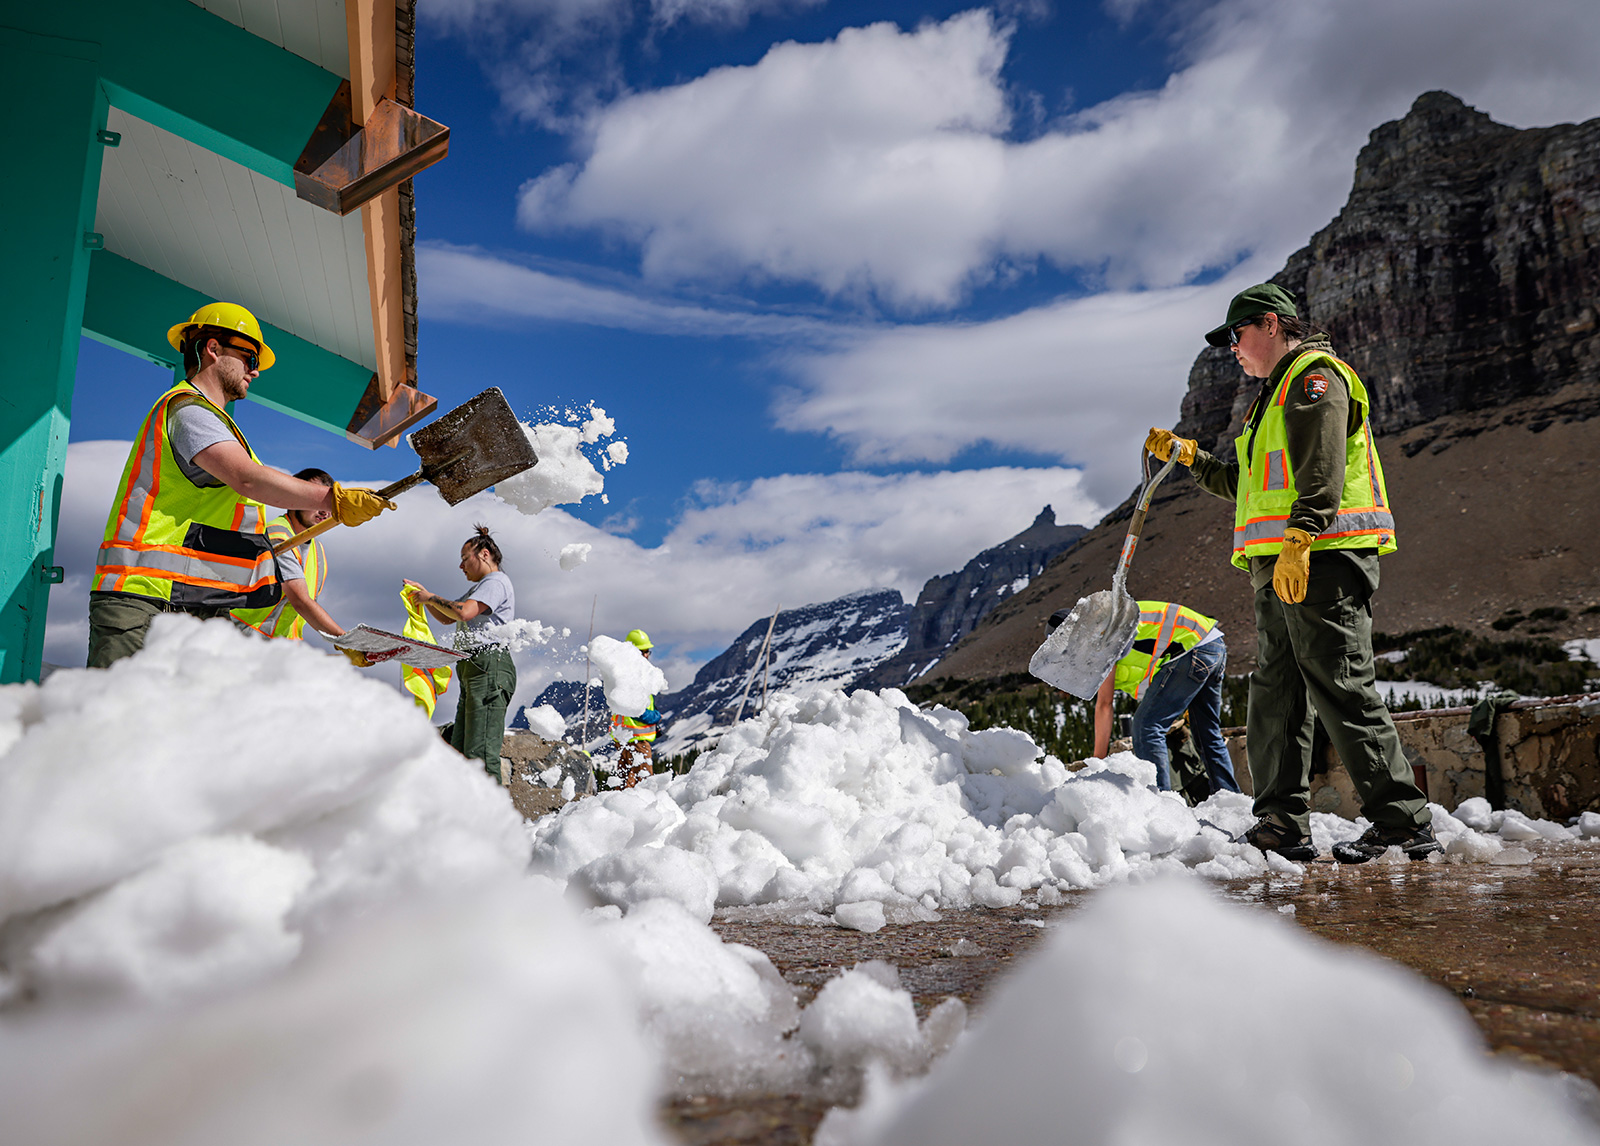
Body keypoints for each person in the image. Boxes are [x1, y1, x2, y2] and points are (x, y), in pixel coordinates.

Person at [1146, 282, 1435, 864]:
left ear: (1272, 324)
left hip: (1321, 557)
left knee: (1340, 683)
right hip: (1278, 567)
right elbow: (1245, 486)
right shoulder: (1271, 398)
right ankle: (1281, 822)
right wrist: (1191, 457)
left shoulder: (1313, 379)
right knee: (1277, 693)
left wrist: (1301, 538)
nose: (1232, 348)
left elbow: (1323, 467)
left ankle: (1404, 822)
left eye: (1237, 334)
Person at [89, 303, 394, 668]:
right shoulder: (189, 410)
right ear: (213, 349)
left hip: (192, 603)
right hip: (144, 599)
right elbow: (247, 478)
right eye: (250, 358)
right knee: (119, 722)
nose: (256, 371)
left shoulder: (218, 425)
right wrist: (334, 499)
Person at [1075, 602, 1242, 798]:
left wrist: (1098, 760)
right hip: (1212, 643)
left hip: (1191, 647)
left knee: (1146, 725)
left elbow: (1104, 705)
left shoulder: (1102, 636)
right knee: (1206, 731)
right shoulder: (1109, 622)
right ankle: (1231, 800)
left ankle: (1162, 805)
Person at [404, 525, 517, 783]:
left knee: (479, 754)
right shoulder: (480, 588)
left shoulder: (496, 582)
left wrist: (431, 597)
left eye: (465, 558)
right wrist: (424, 598)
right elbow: (448, 617)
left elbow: (464, 612)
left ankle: (491, 819)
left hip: (489, 666)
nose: (461, 566)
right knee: (461, 751)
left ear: (485, 554)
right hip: (475, 668)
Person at [231, 468, 347, 641]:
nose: (324, 511)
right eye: (316, 500)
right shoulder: (277, 535)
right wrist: (345, 640)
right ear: (293, 500)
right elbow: (300, 601)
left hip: (278, 646)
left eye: (328, 504)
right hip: (244, 639)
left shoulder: (317, 550)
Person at [611, 629, 663, 788]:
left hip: (623, 741)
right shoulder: (636, 676)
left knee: (626, 783)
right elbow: (636, 709)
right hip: (637, 742)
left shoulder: (621, 674)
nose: (647, 655)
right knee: (645, 783)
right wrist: (655, 717)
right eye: (645, 651)